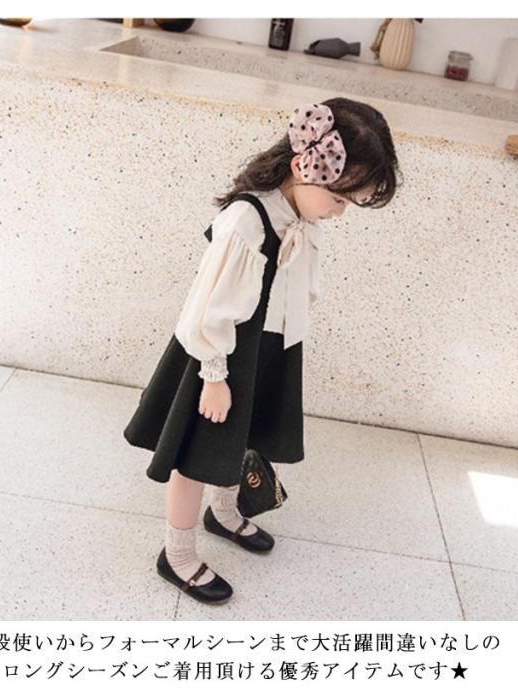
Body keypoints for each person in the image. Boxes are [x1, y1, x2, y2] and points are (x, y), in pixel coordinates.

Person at [123, 97, 401, 604]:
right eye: (339, 199)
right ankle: (176, 554)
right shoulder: (247, 221)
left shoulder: (299, 216)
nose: (340, 213)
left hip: (268, 345)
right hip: (221, 355)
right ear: (303, 169)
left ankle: (224, 512)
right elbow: (207, 306)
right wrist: (214, 375)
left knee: (244, 433)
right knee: (195, 452)